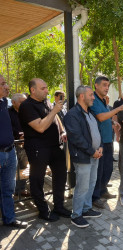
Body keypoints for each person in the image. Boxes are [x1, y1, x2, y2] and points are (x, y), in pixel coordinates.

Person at [18, 78, 70, 222]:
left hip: (55, 146)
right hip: (38, 149)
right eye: (43, 88)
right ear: (33, 90)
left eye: (47, 87)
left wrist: (62, 130)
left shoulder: (46, 102)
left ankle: (59, 206)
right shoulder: (26, 106)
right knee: (37, 180)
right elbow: (40, 127)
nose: (47, 91)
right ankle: (43, 210)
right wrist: (54, 110)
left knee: (60, 176)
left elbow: (55, 118)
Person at [64, 86, 103, 228]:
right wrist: (92, 151)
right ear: (82, 96)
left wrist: (100, 147)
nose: (93, 97)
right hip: (83, 157)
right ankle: (76, 215)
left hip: (94, 155)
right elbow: (76, 138)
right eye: (91, 95)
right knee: (82, 186)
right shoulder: (72, 115)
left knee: (91, 183)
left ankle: (86, 209)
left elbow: (97, 131)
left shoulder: (90, 112)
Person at [90, 76, 123, 209]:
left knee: (107, 169)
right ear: (96, 85)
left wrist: (113, 122)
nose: (107, 88)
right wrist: (119, 109)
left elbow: (105, 116)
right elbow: (100, 117)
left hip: (108, 140)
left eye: (108, 85)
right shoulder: (94, 100)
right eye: (104, 85)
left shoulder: (103, 100)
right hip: (99, 141)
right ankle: (95, 197)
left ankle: (103, 191)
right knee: (98, 170)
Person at [0, 75, 28, 228]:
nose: (7, 87)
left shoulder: (4, 102)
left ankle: (9, 219)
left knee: (8, 189)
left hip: (10, 153)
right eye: (3, 84)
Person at [8, 93, 30, 197]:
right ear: (13, 102)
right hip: (13, 145)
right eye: (22, 102)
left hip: (25, 145)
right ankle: (10, 191)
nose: (24, 104)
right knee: (12, 170)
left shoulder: (27, 112)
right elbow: (7, 128)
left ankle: (21, 189)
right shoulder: (7, 112)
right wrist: (18, 134)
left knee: (24, 167)